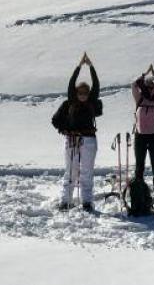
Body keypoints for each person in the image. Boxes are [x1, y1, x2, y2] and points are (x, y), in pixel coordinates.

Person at [51, 53, 104, 212]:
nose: (82, 95)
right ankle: (65, 201)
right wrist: (79, 66)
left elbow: (96, 85)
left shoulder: (92, 103)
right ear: (76, 93)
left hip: (88, 140)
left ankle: (87, 202)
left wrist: (91, 67)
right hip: (72, 140)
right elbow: (70, 85)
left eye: (85, 93)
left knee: (87, 172)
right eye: (80, 93)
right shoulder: (71, 102)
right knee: (71, 172)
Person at [131, 64, 154, 204]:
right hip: (140, 136)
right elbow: (133, 85)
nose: (151, 89)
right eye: (148, 87)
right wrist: (145, 73)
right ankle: (138, 194)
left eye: (152, 87)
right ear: (144, 87)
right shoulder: (139, 98)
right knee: (139, 167)